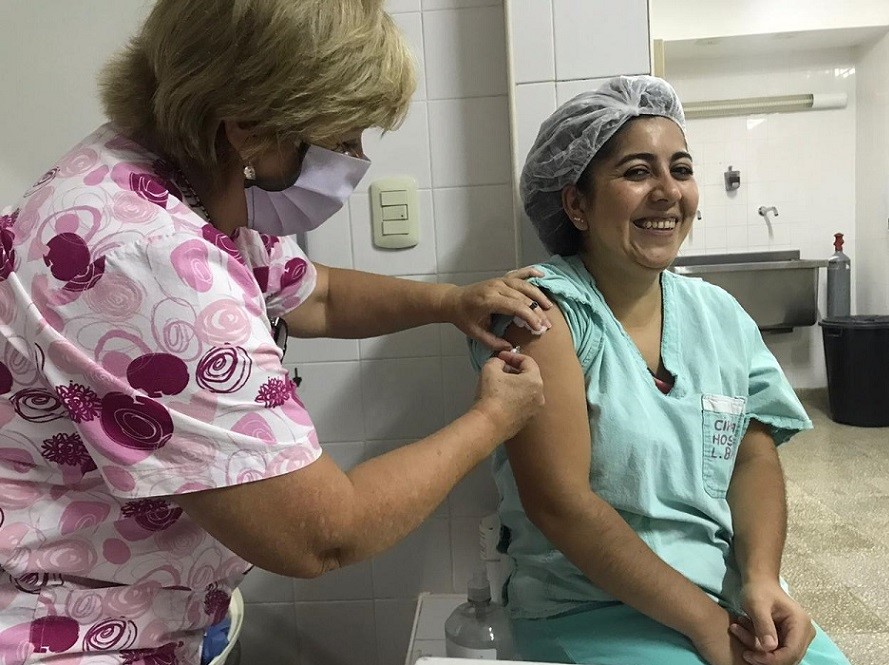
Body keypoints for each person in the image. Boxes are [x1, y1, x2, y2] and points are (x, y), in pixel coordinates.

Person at [0, 1, 551, 663]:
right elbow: (322, 535)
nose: (354, 160)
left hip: (138, 602)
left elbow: (317, 296)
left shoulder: (171, 175)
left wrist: (451, 301)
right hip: (59, 632)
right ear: (251, 129)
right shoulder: (148, 259)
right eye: (343, 138)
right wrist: (493, 418)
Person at [469, 75, 850, 665]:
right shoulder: (543, 316)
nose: (668, 192)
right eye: (637, 172)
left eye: (681, 169)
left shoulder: (719, 314)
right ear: (576, 204)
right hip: (587, 608)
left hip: (723, 596)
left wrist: (762, 579)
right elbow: (561, 505)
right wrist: (704, 624)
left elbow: (751, 455)